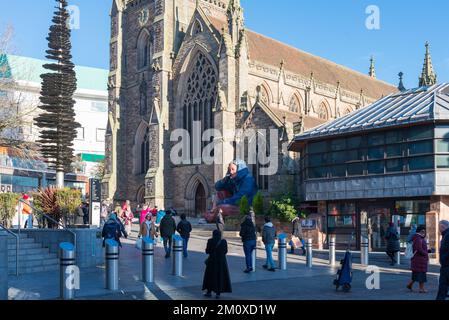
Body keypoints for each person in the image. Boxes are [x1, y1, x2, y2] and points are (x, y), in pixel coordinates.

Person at [202, 230, 232, 299]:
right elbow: (225, 251)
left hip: (212, 261)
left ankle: (209, 292)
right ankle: (218, 293)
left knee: (210, 276)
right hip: (221, 262)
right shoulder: (223, 241)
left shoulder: (210, 241)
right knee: (219, 276)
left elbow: (207, 251)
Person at [407, 226, 430, 293]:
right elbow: (419, 249)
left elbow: (420, 248)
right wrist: (426, 253)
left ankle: (409, 285)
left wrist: (428, 251)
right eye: (423, 231)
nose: (424, 233)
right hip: (419, 260)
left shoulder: (419, 238)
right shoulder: (418, 238)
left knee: (416, 274)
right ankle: (421, 289)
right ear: (420, 231)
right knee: (421, 275)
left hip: (418, 260)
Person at [436, 220, 449, 300]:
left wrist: (444, 260)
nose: (438, 229)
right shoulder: (445, 235)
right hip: (446, 265)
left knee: (442, 288)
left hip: (446, 266)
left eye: (439, 227)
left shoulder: (447, 236)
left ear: (442, 227)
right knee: (443, 289)